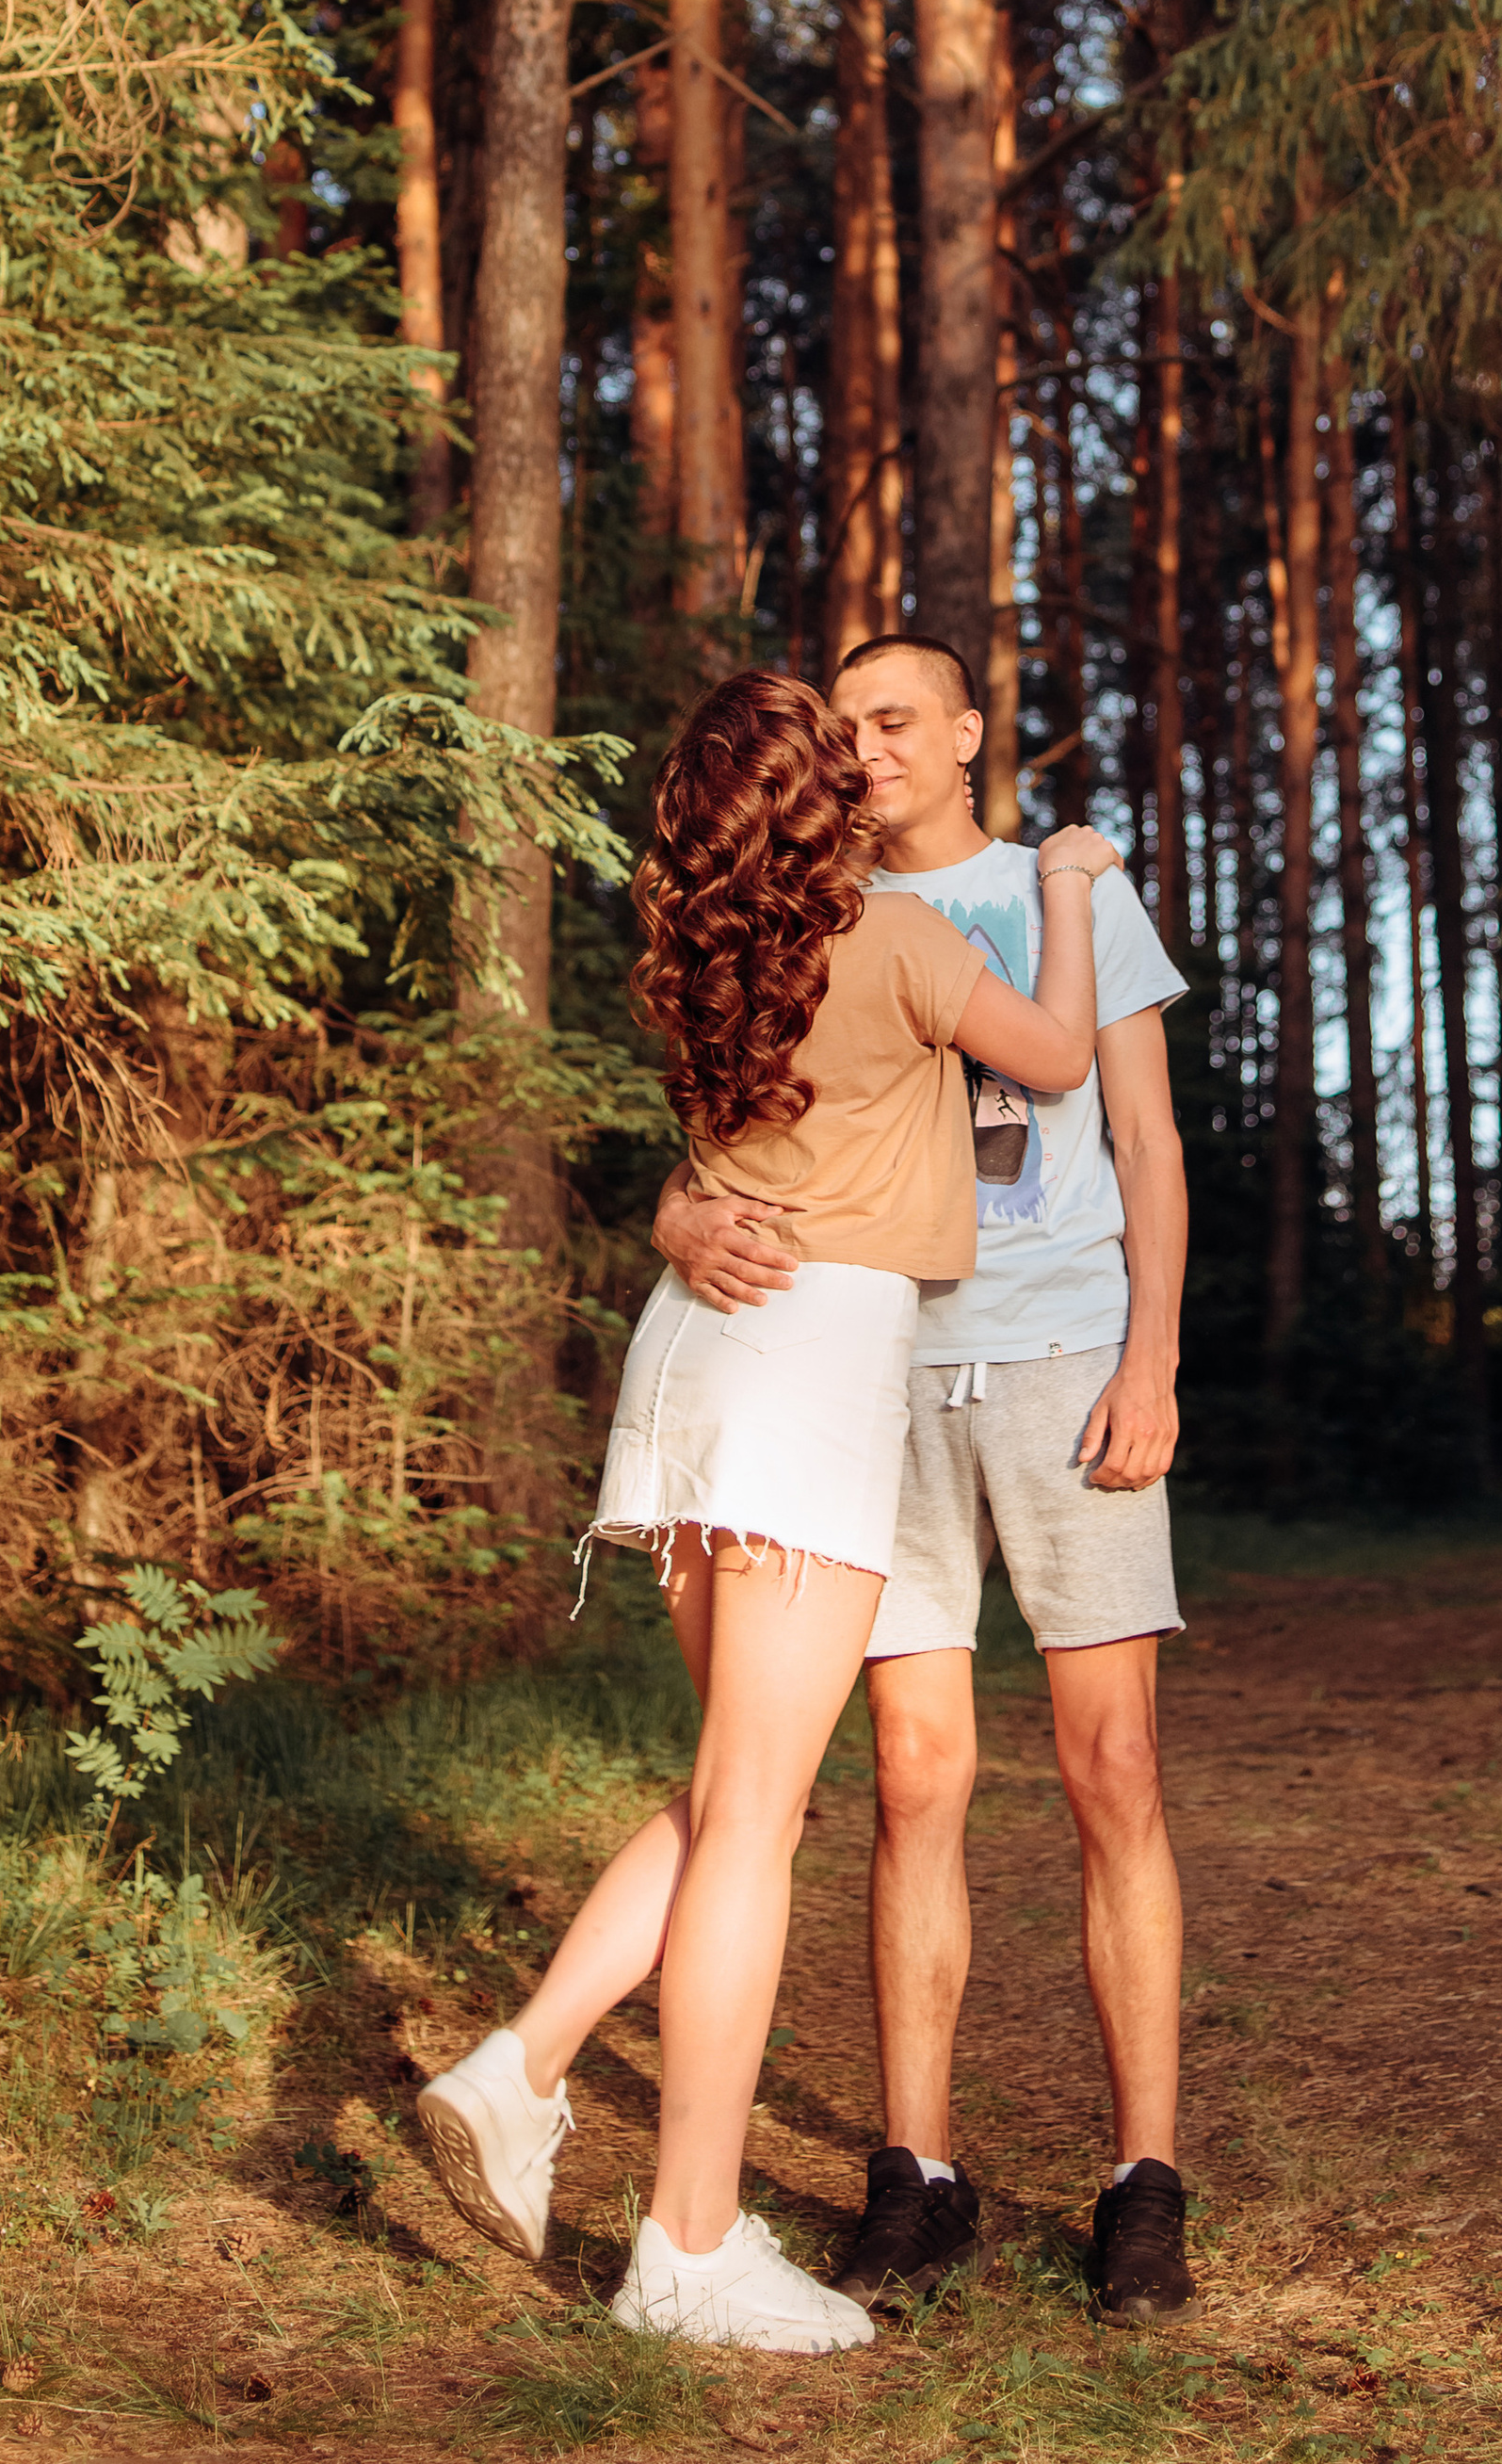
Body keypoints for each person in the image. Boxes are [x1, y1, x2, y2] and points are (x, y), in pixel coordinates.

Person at [416, 666, 1124, 2355]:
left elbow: (719, 1174)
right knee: (755, 1819)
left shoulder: (706, 963)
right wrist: (1069, 888)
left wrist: (670, 1218)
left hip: (691, 1362)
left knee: (730, 1787)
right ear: (827, 800)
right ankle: (688, 2241)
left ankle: (519, 2067)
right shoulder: (893, 941)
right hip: (811, 1370)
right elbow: (1064, 1054)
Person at [653, 635, 1195, 2329]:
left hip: (1062, 1365)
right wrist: (675, 1216)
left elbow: (1150, 1139)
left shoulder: (1076, 893)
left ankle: (1142, 2183)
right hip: (865, 1370)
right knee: (911, 1773)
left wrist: (1153, 1358)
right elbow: (724, 1141)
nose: (869, 745)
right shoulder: (804, 917)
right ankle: (919, 2174)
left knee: (1111, 1764)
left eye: (900, 719)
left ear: (966, 735)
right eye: (848, 723)